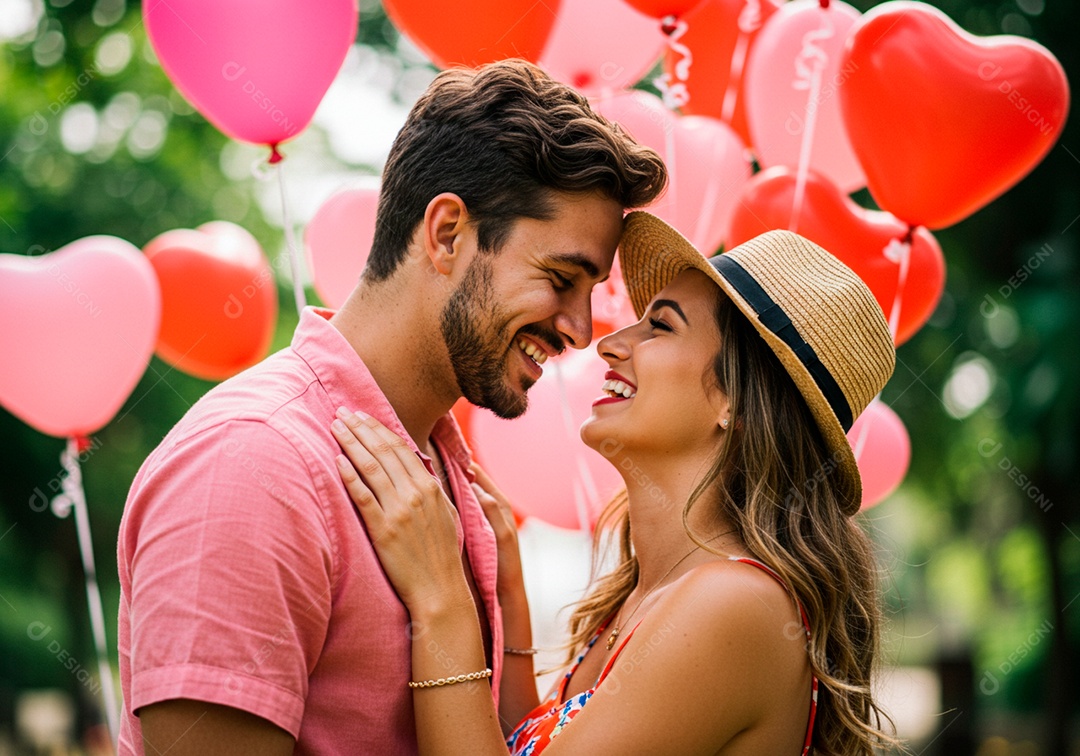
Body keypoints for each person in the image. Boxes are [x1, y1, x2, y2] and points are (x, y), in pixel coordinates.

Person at [116, 61, 666, 755]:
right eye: (561, 279)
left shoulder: (441, 471)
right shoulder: (252, 466)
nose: (582, 330)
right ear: (445, 233)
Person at [331, 212, 905, 754]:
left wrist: (440, 599)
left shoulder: (732, 604)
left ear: (735, 399)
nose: (608, 342)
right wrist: (508, 590)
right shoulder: (646, 596)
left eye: (660, 326)